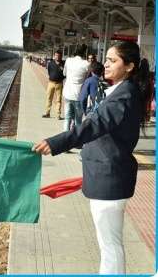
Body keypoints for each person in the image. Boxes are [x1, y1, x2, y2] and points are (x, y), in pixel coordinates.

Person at [32, 41, 154, 274]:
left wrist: (55, 142)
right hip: (107, 177)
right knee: (109, 244)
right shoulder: (121, 90)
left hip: (109, 179)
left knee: (110, 247)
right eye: (106, 59)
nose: (105, 64)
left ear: (129, 66)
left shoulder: (124, 96)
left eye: (112, 60)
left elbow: (94, 126)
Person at [62, 46, 89, 131]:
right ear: (84, 53)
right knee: (78, 121)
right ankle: (76, 140)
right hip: (78, 95)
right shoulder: (86, 64)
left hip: (67, 93)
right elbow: (86, 77)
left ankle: (65, 138)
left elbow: (64, 73)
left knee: (67, 118)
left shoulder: (68, 60)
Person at [43, 50, 64, 119]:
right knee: (49, 98)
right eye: (56, 55)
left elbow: (65, 74)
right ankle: (47, 113)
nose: (57, 57)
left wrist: (61, 78)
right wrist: (52, 77)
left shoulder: (63, 64)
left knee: (58, 100)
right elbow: (49, 71)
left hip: (59, 84)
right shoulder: (51, 63)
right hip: (51, 83)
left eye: (59, 56)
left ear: (61, 56)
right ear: (54, 56)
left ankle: (58, 115)